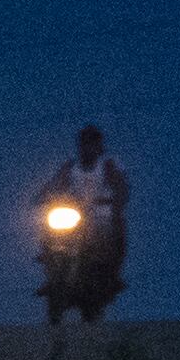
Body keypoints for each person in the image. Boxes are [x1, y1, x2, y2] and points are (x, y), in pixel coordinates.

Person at [39, 124, 130, 321]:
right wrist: (42, 196)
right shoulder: (71, 167)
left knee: (115, 232)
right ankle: (52, 275)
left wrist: (118, 201)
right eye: (83, 143)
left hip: (102, 214)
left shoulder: (108, 165)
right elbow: (55, 183)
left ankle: (112, 275)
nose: (86, 147)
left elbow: (121, 186)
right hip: (76, 214)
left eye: (91, 143)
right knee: (49, 231)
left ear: (99, 146)